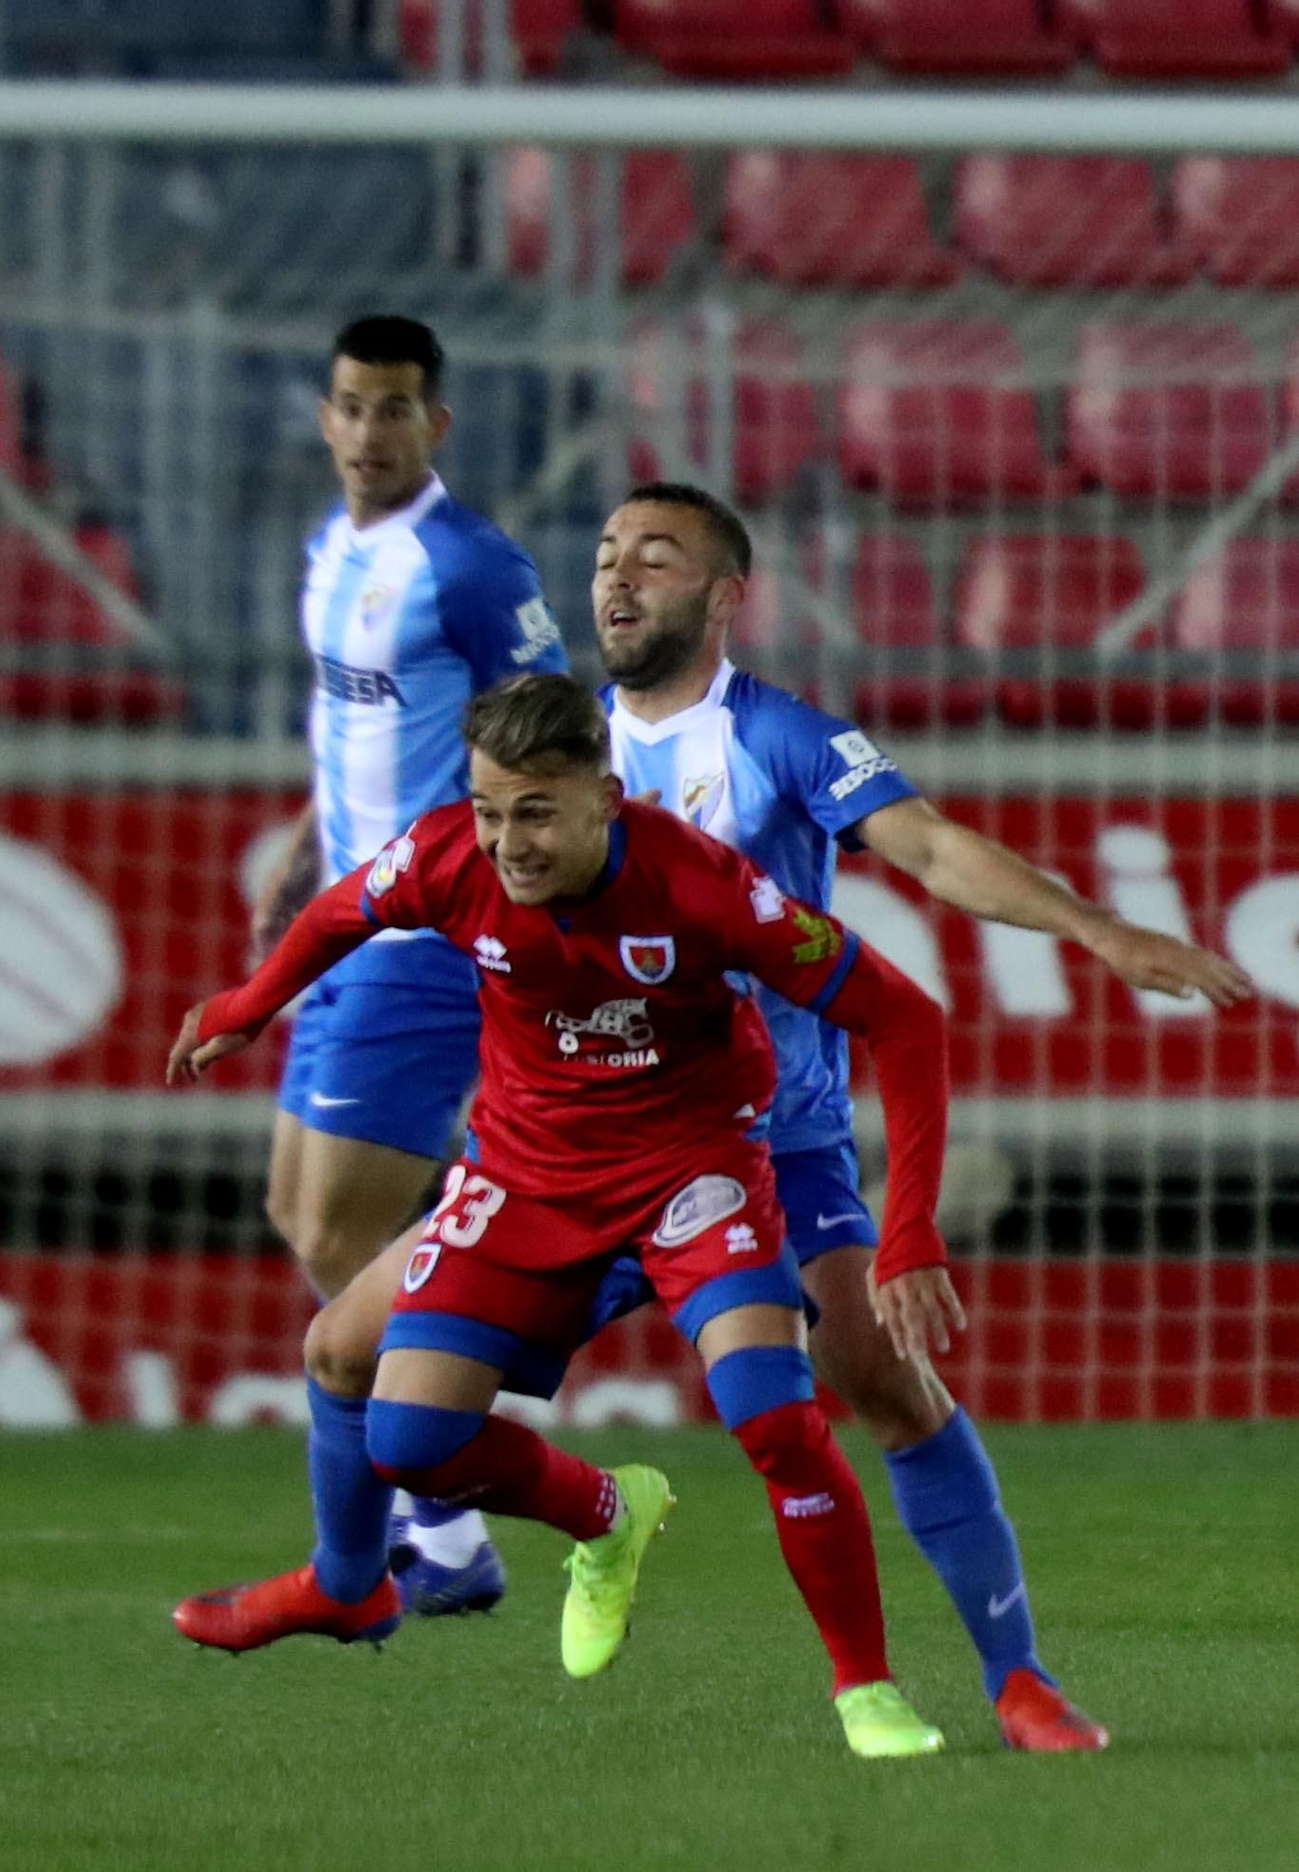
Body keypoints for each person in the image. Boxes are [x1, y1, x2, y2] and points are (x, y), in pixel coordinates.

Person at [260, 482, 1256, 1754]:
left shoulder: (774, 737)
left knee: (887, 1394)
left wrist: (1092, 925)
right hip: (566, 1156)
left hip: (761, 1152)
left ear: (725, 596)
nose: (618, 580)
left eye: (657, 560)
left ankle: (1018, 1682)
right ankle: (362, 1581)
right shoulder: (561, 752)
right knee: (345, 1350)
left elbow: (934, 850)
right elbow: (436, 853)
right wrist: (315, 842)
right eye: (609, 555)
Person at [169, 672, 958, 1759]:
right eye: (491, 811)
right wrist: (248, 1004)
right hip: (528, 1178)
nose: (507, 843)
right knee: (403, 1435)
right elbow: (342, 907)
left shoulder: (702, 886)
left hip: (693, 1172)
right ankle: (602, 1515)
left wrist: (906, 1225)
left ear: (605, 794)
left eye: (535, 812)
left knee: (774, 1419)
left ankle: (867, 1692)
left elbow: (904, 1022)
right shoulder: (452, 857)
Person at [252, 314, 568, 1614]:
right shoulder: (332, 552)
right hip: (344, 913)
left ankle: (452, 1510)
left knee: (338, 1223)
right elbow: (356, 727)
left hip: (431, 930)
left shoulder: (473, 566)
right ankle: (446, 1504)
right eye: (351, 406)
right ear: (323, 418)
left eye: (396, 410)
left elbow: (553, 730)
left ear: (435, 424)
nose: (370, 432)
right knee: (300, 1213)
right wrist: (302, 834)